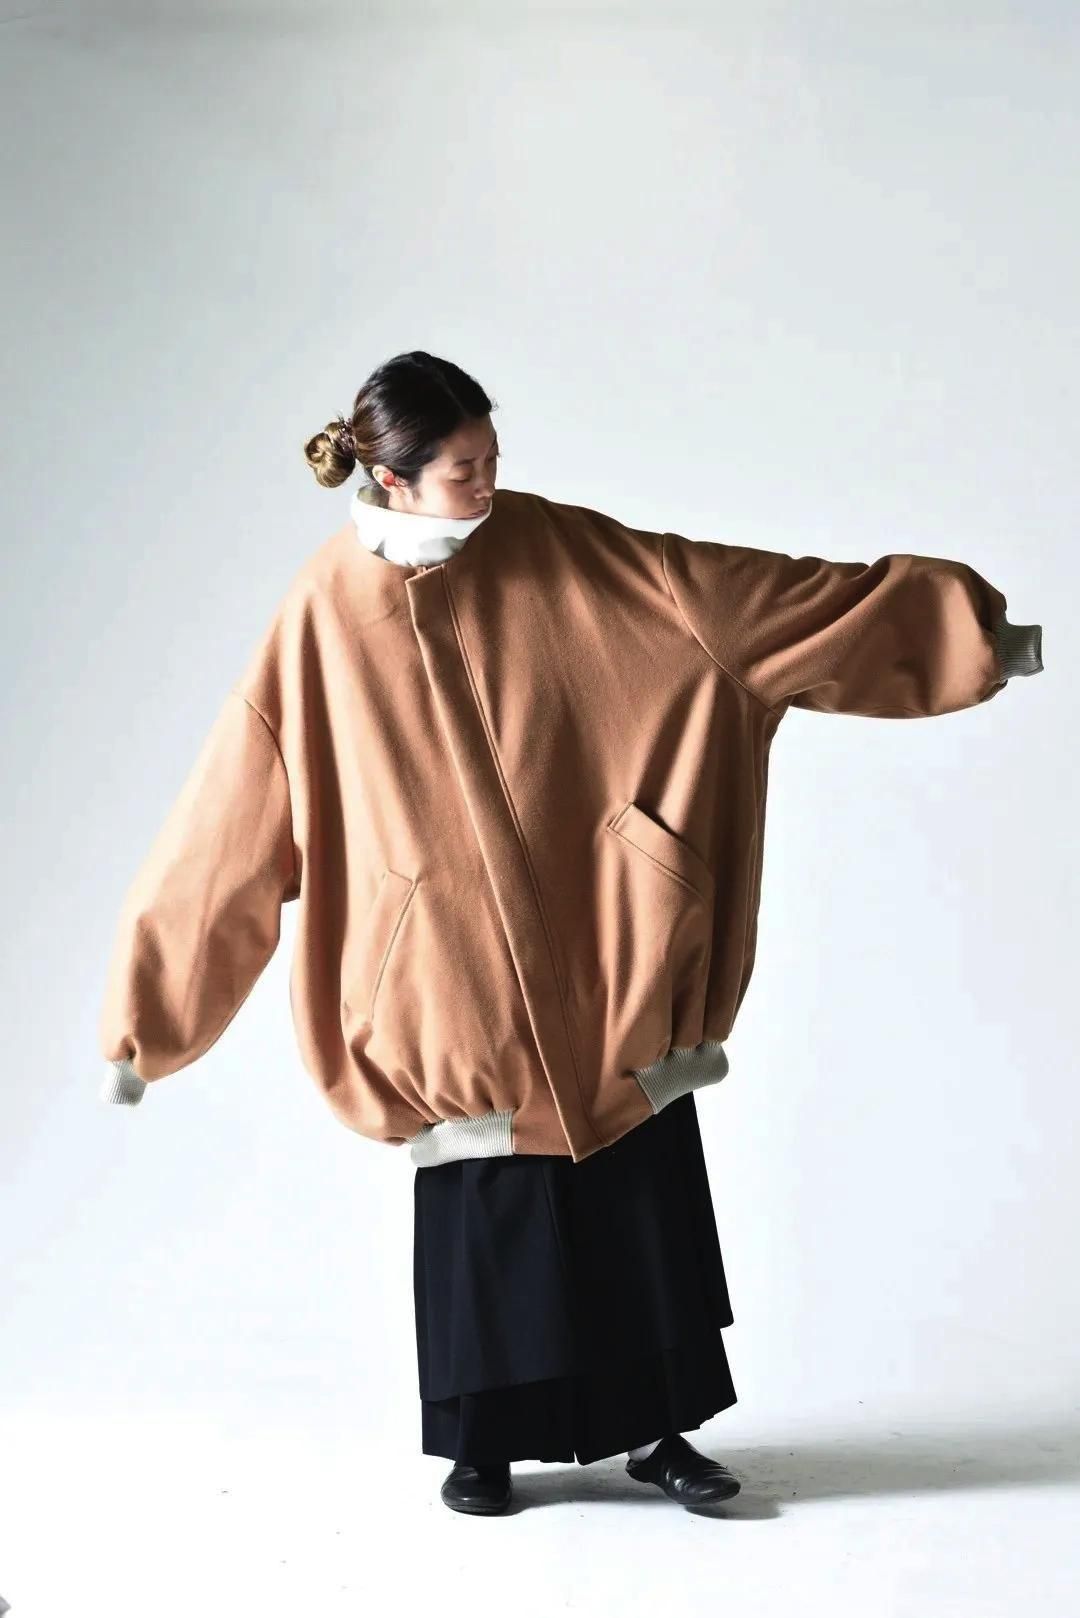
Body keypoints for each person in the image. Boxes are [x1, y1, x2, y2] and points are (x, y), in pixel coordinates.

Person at [99, 350, 1044, 1517]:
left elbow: (749, 602)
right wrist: (148, 1022)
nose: (489, 483)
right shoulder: (321, 618)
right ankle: (482, 1446)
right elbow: (231, 825)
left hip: (610, 958)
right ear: (390, 478)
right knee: (489, 1226)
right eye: (463, 469)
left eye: (494, 457)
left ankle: (660, 1433)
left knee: (636, 1208)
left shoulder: (563, 548)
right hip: (447, 992)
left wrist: (971, 638)